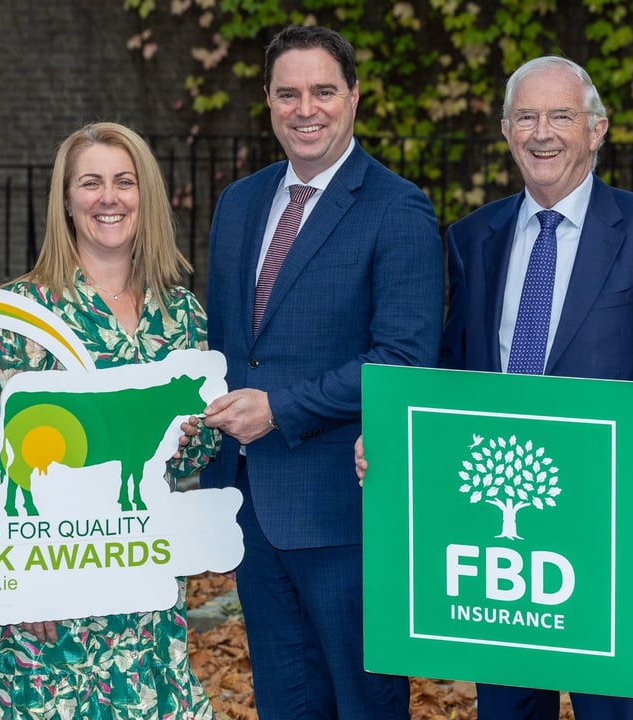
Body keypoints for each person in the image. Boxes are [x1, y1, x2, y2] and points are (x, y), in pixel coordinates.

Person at [361, 55, 633, 719]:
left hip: (613, 526)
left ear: (597, 129)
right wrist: (394, 438)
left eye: (561, 116)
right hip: (505, 552)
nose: (542, 133)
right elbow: (450, 372)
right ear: (507, 131)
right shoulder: (473, 238)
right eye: (526, 117)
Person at [200, 25, 443, 720]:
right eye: (288, 94)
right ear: (268, 101)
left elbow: (403, 359)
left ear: (354, 97)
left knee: (363, 702)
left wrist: (280, 408)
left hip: (346, 508)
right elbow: (228, 345)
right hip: (252, 503)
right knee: (286, 701)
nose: (305, 109)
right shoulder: (240, 203)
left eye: (323, 92)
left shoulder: (397, 208)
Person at [0, 121, 219, 719]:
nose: (109, 197)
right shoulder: (25, 312)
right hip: (53, 589)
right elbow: (3, 459)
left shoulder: (182, 314)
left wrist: (193, 434)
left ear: (144, 196)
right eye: (91, 183)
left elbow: (192, 455)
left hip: (147, 580)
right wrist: (24, 585)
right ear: (66, 201)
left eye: (124, 182)